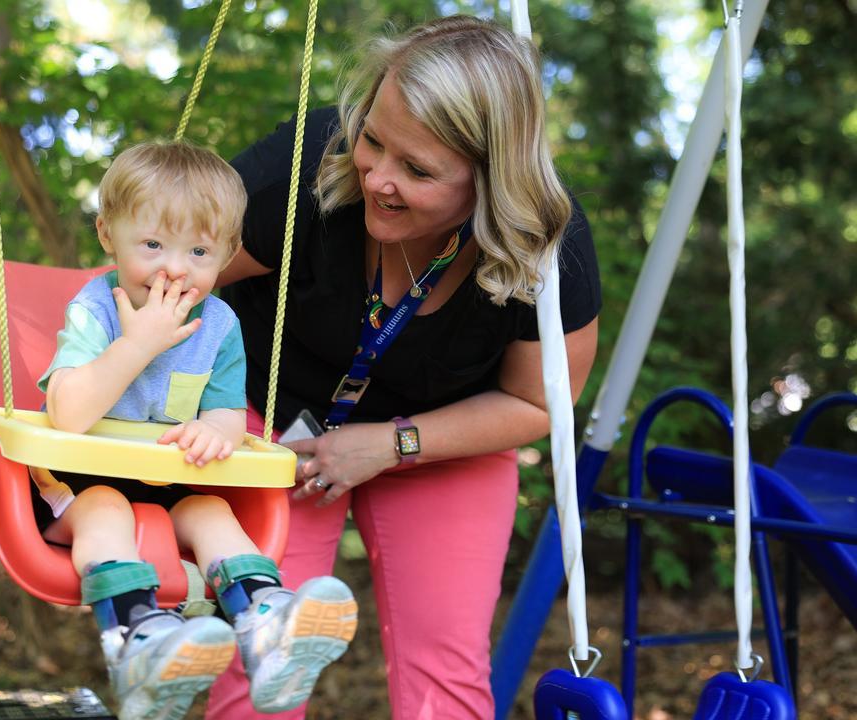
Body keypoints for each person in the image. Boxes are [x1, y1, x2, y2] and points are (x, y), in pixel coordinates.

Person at [207, 15, 601, 720]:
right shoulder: (306, 166)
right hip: (272, 420)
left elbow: (542, 404)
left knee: (445, 677)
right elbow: (166, 281)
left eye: (417, 170)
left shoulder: (549, 248)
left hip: (447, 439)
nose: (379, 178)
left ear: (490, 181)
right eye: (374, 141)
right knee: (259, 657)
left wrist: (393, 444)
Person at [34, 141, 358, 720]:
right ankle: (135, 637)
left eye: (200, 250)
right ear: (108, 234)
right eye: (153, 244)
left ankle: (267, 626)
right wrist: (137, 344)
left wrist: (219, 432)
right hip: (79, 483)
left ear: (229, 253)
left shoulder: (220, 324)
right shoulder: (97, 309)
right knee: (107, 505)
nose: (175, 267)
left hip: (167, 486)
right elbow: (67, 411)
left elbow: (228, 408)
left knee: (212, 510)